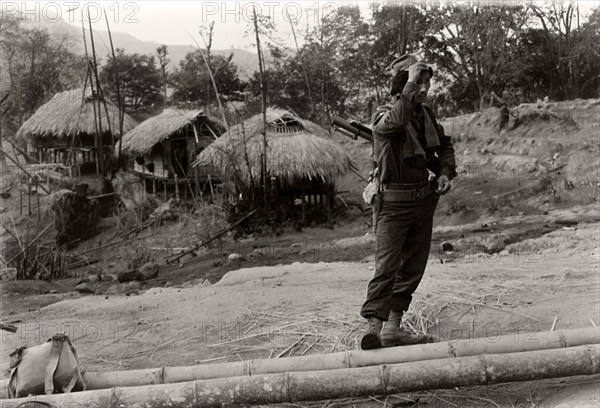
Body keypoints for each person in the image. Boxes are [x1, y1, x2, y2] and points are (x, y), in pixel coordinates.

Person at [359, 54, 457, 350]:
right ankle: (373, 329)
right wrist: (411, 83)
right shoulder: (384, 114)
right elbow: (395, 123)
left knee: (412, 268)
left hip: (423, 201)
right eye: (419, 81)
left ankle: (393, 328)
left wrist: (444, 172)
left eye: (427, 81)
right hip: (393, 204)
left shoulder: (425, 115)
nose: (425, 88)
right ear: (404, 84)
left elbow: (445, 146)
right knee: (386, 268)